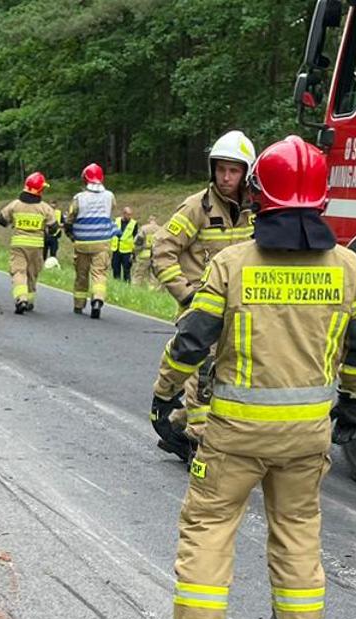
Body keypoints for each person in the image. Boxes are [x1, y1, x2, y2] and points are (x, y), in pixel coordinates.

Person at [146, 135, 356, 619]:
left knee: (209, 525)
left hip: (235, 434)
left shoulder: (232, 264)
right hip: (307, 435)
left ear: (258, 195)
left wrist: (164, 394)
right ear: (322, 198)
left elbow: (192, 341)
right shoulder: (347, 267)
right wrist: (352, 403)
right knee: (298, 526)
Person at [150, 131, 258, 453]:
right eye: (221, 169)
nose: (226, 177)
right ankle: (198, 447)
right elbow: (162, 250)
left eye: (234, 170)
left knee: (230, 378)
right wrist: (187, 296)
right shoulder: (196, 208)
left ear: (246, 173)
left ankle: (177, 425)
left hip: (241, 313)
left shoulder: (256, 209)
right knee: (203, 377)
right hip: (202, 311)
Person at [0, 172, 57, 314]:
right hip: (36, 246)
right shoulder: (45, 208)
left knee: (18, 271)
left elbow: (1, 220)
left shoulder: (15, 205)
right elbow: (53, 228)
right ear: (40, 190)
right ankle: (29, 301)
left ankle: (21, 298)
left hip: (19, 245)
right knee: (32, 273)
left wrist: (12, 222)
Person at [64, 163, 118, 319]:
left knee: (81, 274)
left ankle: (78, 305)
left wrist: (70, 233)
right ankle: (98, 299)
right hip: (102, 242)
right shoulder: (109, 196)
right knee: (99, 273)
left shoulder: (79, 198)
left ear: (85, 179)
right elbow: (111, 210)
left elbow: (70, 218)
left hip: (82, 243)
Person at [111, 206, 139, 282]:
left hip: (127, 251)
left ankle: (126, 284)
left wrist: (134, 252)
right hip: (116, 249)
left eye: (131, 214)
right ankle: (116, 283)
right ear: (123, 214)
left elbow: (135, 238)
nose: (130, 216)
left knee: (126, 270)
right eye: (128, 214)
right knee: (115, 268)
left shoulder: (134, 223)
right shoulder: (116, 221)